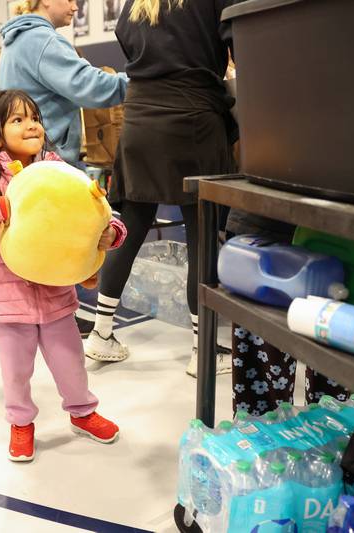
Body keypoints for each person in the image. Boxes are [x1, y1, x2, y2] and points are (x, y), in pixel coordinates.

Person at [0, 90, 127, 462]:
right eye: (17, 119)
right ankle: (21, 423)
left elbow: (92, 211)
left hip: (55, 294)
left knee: (70, 360)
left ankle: (83, 412)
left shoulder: (56, 168)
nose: (31, 125)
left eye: (34, 118)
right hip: (6, 297)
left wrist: (110, 232)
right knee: (16, 370)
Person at [84, 0, 238, 377]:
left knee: (132, 224)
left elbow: (126, 39)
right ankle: (203, 350)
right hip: (193, 120)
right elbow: (245, 48)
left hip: (139, 120)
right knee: (200, 232)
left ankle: (102, 333)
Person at [224, 213, 349, 415]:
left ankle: (333, 436)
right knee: (260, 392)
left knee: (335, 366)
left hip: (341, 229)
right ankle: (262, 437)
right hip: (267, 229)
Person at [0, 0, 128, 165]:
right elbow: (89, 85)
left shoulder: (17, 38)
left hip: (26, 158)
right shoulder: (41, 39)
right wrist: (137, 83)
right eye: (69, 0)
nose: (75, 7)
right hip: (46, 162)